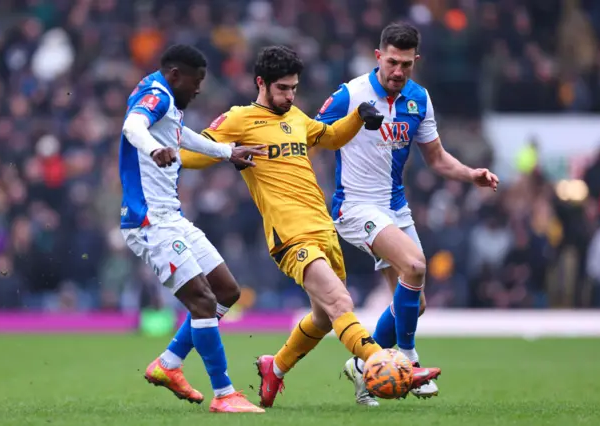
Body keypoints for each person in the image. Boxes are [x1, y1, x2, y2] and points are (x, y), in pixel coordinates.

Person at [176, 45, 441, 409]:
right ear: (261, 83)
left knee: (322, 317)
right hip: (289, 236)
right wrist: (215, 152)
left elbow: (329, 137)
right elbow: (191, 153)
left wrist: (359, 118)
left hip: (323, 230)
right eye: (282, 88)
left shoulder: (297, 117)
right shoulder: (239, 119)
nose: (289, 95)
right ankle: (385, 364)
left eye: (294, 88)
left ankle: (276, 366)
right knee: (340, 302)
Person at [315, 22, 499, 406]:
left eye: (407, 64)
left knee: (415, 302)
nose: (398, 72)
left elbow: (436, 158)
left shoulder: (419, 99)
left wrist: (471, 174)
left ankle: (364, 367)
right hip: (356, 207)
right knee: (415, 266)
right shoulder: (350, 94)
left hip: (395, 208)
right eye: (392, 62)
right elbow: (311, 134)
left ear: (416, 61)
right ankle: (411, 360)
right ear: (378, 56)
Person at [119, 44, 267, 413]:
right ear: (175, 75)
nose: (199, 88)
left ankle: (168, 365)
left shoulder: (167, 98)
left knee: (226, 292)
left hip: (173, 217)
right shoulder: (156, 95)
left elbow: (181, 137)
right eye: (196, 81)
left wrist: (226, 151)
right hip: (150, 221)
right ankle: (225, 394)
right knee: (202, 300)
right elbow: (132, 126)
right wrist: (153, 149)